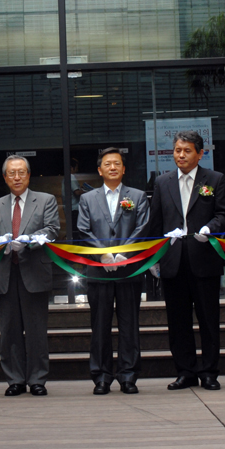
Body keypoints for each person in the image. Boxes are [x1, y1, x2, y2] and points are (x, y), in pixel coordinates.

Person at [149, 130, 225, 391]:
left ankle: (209, 372)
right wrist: (154, 258)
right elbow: (156, 222)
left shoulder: (215, 179)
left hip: (203, 258)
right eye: (177, 150)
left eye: (186, 151)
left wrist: (210, 228)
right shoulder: (162, 182)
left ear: (200, 153)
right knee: (178, 321)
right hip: (173, 262)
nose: (181, 155)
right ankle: (185, 371)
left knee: (208, 319)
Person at [0, 155, 60, 396]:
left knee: (36, 330)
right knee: (10, 331)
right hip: (6, 272)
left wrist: (29, 241)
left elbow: (52, 229)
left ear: (28, 175)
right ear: (5, 177)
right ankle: (14, 379)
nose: (17, 177)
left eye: (21, 172)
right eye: (12, 173)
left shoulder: (46, 200)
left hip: (34, 271)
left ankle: (37, 379)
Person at [77, 147, 151, 395]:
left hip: (128, 270)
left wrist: (123, 254)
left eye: (117, 164)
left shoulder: (138, 196)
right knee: (100, 326)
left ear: (124, 169)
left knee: (130, 325)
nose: (112, 167)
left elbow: (143, 227)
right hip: (98, 271)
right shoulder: (87, 199)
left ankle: (128, 376)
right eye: (107, 164)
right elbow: (83, 230)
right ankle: (101, 376)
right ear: (100, 170)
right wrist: (104, 254)